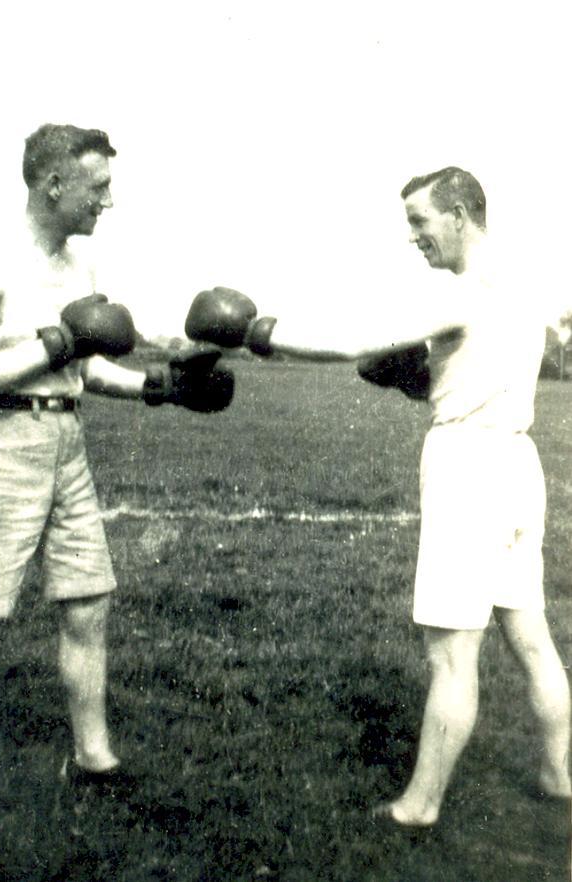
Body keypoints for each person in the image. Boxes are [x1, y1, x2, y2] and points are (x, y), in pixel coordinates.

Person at [184, 166, 572, 827]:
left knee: (451, 652)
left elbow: (352, 340)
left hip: (467, 466)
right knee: (531, 638)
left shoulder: (462, 290)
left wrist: (255, 332)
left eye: (421, 223)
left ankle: (418, 808)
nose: (415, 238)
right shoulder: (523, 288)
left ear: (459, 214)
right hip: (516, 462)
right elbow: (480, 375)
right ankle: (561, 775)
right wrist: (421, 382)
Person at [0, 123, 234, 838]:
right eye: (98, 186)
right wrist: (56, 339)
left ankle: (95, 757)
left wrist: (162, 388)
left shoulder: (80, 266)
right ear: (53, 183)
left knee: (89, 605)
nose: (108, 201)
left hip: (67, 441)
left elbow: (84, 369)